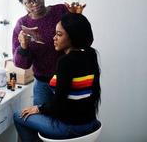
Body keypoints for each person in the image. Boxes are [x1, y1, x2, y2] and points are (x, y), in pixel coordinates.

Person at [13, 13, 101, 141]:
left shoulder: (65, 61)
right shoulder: (90, 54)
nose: (54, 38)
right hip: (90, 124)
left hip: (69, 128)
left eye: (59, 34)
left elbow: (59, 104)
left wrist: (38, 108)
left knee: (18, 116)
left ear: (73, 37)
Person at [13, 0, 85, 106]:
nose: (34, 4)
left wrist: (77, 17)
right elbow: (22, 65)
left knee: (67, 120)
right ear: (22, 3)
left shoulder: (61, 11)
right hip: (43, 84)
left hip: (68, 79)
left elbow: (82, 39)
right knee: (41, 122)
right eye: (28, 2)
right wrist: (24, 47)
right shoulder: (22, 24)